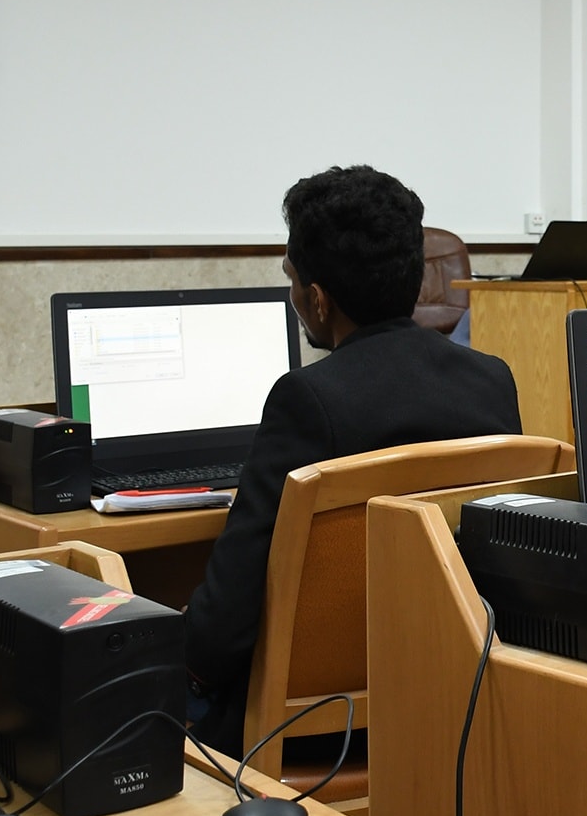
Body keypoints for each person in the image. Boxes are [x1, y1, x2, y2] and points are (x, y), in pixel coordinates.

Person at [186, 165, 522, 755]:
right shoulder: (491, 381)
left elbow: (221, 631)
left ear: (317, 299)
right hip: (453, 711)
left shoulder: (307, 399)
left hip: (313, 737)